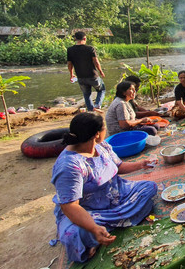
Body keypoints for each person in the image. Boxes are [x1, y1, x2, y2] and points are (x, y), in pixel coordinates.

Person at [51, 113, 158, 263]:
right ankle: (99, 230)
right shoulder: (69, 166)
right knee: (75, 234)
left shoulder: (101, 146)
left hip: (117, 194)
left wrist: (141, 164)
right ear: (96, 134)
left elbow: (118, 166)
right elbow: (70, 207)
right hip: (88, 210)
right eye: (104, 129)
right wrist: (94, 228)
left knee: (149, 188)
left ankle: (106, 227)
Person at [67, 32, 105, 112]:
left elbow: (69, 64)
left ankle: (91, 110)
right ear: (84, 39)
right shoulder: (90, 48)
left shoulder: (70, 50)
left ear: (75, 39)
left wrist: (71, 74)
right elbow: (96, 62)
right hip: (92, 75)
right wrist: (101, 71)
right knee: (102, 90)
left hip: (80, 77)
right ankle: (97, 106)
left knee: (86, 94)